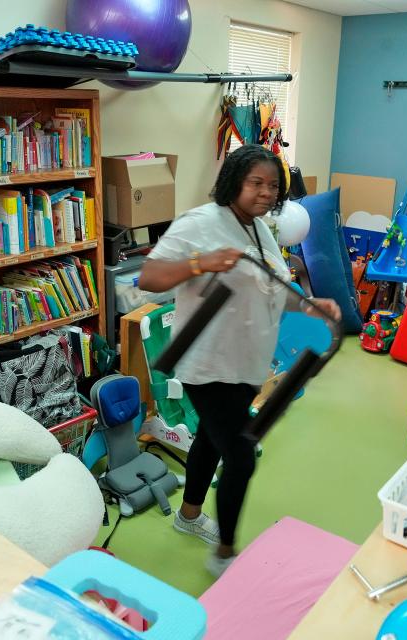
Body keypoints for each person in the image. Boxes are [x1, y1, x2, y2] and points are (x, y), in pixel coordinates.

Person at [138, 145, 341, 577]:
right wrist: (201, 262)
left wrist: (311, 305)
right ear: (234, 181)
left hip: (248, 362)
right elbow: (149, 278)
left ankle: (187, 515)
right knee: (242, 456)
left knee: (213, 441)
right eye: (256, 183)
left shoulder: (260, 230)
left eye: (273, 186)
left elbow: (274, 287)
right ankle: (225, 553)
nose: (266, 193)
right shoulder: (201, 223)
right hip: (207, 364)